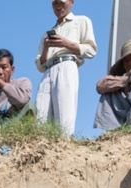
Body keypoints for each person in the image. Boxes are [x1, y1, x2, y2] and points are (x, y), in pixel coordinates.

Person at [34, 0, 97, 136]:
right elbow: (40, 65)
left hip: (67, 64)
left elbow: (91, 50)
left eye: (62, 2)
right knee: (41, 113)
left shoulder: (81, 21)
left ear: (71, 2)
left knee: (64, 114)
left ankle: (64, 145)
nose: (58, 6)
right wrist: (46, 48)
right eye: (55, 3)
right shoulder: (46, 35)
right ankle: (42, 147)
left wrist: (66, 43)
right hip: (48, 70)